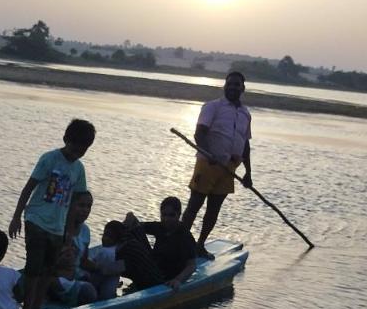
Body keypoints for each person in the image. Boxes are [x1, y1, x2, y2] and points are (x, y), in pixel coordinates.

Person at [8, 119, 95, 309]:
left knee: (48, 271)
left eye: (83, 150)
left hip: (57, 227)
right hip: (36, 220)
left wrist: (69, 231)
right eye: (76, 148)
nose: (78, 153)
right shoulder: (49, 159)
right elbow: (28, 188)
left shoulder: (79, 169)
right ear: (66, 140)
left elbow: (75, 200)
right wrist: (16, 217)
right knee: (33, 268)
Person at [182, 71, 253, 260]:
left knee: (214, 209)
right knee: (194, 205)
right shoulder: (212, 107)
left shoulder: (245, 114)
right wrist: (208, 153)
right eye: (229, 84)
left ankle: (200, 245)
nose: (232, 87)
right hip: (208, 164)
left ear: (243, 88)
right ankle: (177, 243)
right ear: (224, 86)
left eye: (236, 85)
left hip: (229, 168)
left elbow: (245, 144)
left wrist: (248, 173)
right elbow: (200, 133)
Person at [125, 196, 200, 289]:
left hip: (165, 276)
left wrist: (178, 280)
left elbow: (191, 265)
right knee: (133, 229)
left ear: (179, 215)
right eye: (164, 215)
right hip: (153, 267)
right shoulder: (160, 227)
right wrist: (129, 216)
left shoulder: (184, 235)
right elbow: (137, 224)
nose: (166, 219)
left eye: (171, 215)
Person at [50, 191, 97, 306]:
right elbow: (49, 263)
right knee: (88, 291)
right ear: (70, 206)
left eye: (88, 206)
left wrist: (101, 267)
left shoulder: (85, 230)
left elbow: (83, 261)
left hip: (76, 276)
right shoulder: (59, 229)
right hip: (58, 279)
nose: (85, 210)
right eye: (81, 205)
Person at [97, 219, 165, 291]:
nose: (104, 239)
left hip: (151, 287)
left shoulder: (127, 254)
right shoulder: (128, 238)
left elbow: (106, 270)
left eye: (110, 237)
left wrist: (89, 265)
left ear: (118, 240)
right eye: (105, 234)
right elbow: (130, 217)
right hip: (150, 278)